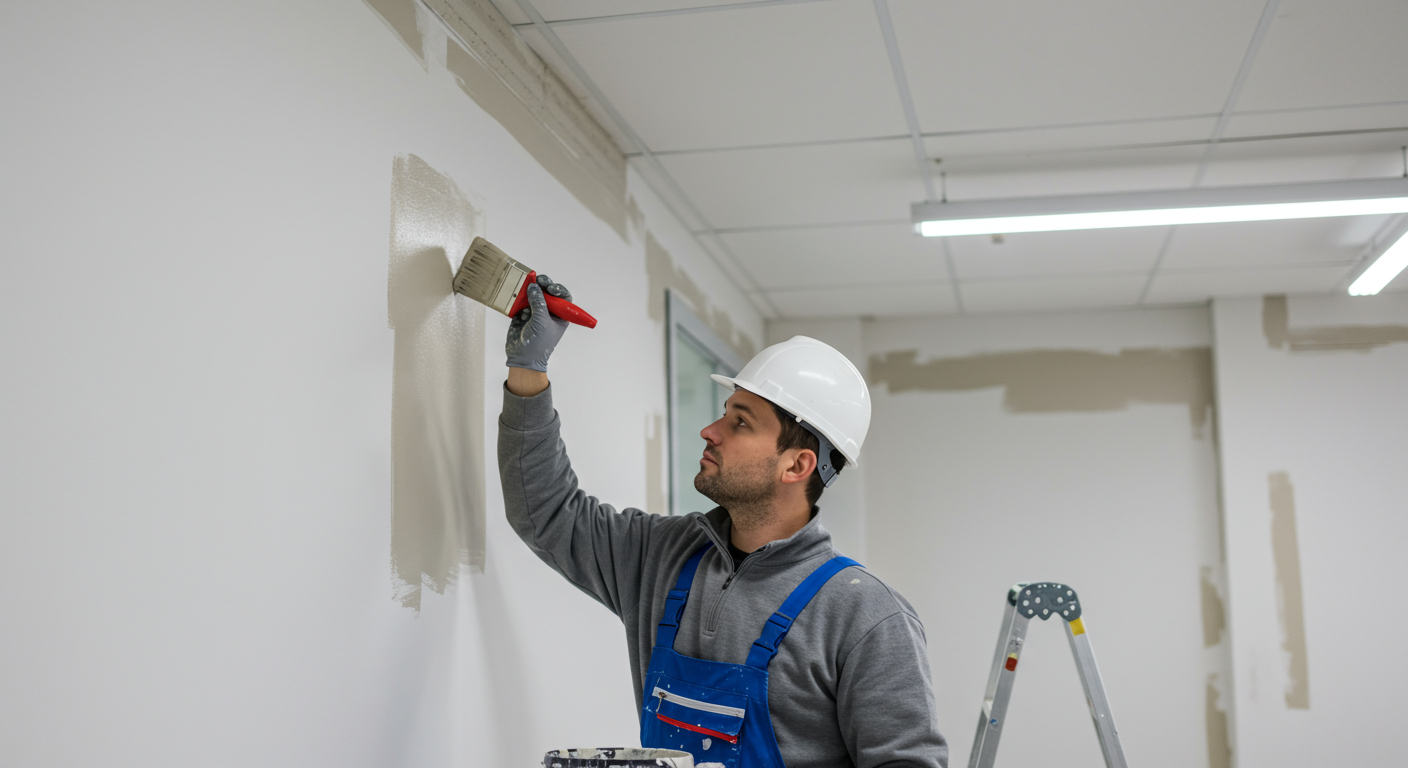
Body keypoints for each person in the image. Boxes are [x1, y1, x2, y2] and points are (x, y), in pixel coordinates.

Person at [498, 277, 948, 768]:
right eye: (724, 413)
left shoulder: (864, 616)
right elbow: (546, 514)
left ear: (796, 466)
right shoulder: (660, 555)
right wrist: (529, 373)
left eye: (741, 422)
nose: (709, 431)